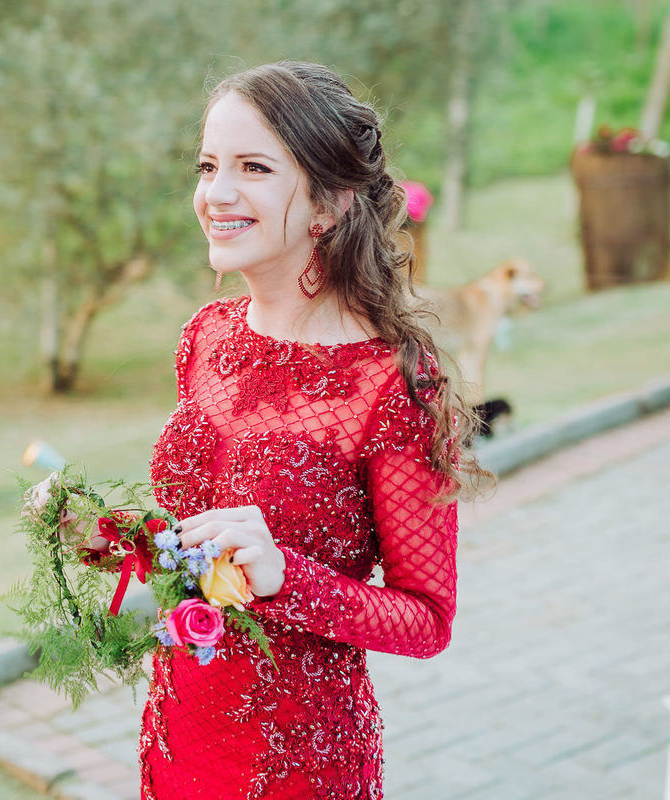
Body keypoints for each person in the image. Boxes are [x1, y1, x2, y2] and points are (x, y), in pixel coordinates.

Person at [142, 62, 485, 799]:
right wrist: (119, 537)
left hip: (298, 764)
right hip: (179, 731)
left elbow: (427, 620)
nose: (216, 194)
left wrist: (288, 578)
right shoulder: (204, 337)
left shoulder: (392, 379)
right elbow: (199, 536)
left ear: (329, 202)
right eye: (208, 166)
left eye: (254, 168)